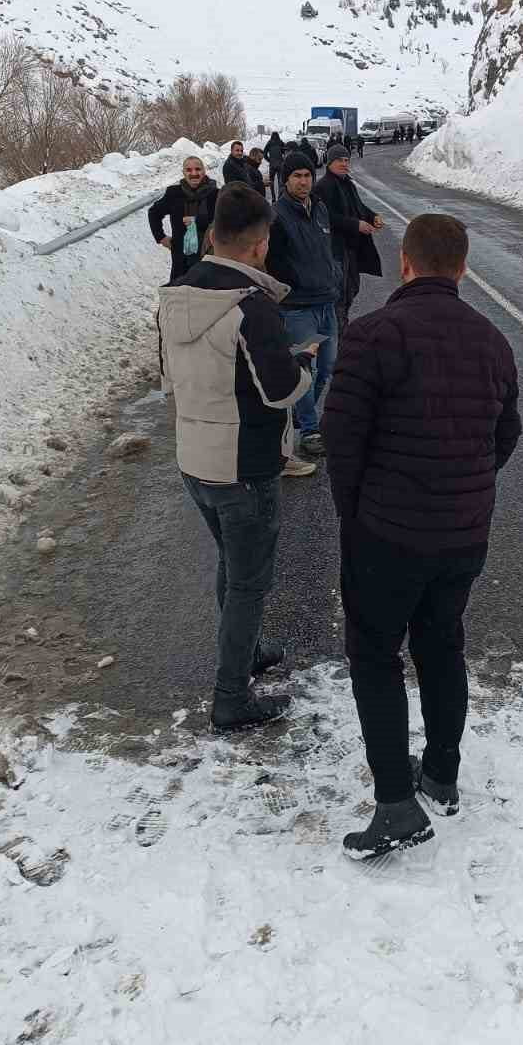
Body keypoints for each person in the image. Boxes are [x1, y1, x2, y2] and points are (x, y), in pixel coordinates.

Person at [322, 213, 522, 859]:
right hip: (463, 535)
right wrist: (463, 484)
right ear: (461, 267)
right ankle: (441, 772)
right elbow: (505, 436)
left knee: (376, 656)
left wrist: (355, 515)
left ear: (404, 263)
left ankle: (395, 805)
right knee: (442, 647)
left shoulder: (372, 335)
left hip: (387, 533)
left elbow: (343, 443)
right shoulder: (493, 340)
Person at [158, 186, 319, 733]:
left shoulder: (176, 296)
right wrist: (305, 367)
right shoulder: (251, 307)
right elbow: (278, 391)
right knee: (249, 581)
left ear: (211, 237)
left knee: (232, 564)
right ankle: (231, 698)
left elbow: (171, 378)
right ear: (258, 246)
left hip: (193, 458)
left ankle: (244, 653)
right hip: (244, 465)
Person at [265, 152, 340, 460]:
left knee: (328, 366)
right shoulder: (277, 215)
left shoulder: (320, 209)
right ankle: (310, 430)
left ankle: (301, 412)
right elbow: (274, 260)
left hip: (326, 302)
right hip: (298, 308)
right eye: (296, 175)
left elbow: (327, 248)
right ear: (286, 180)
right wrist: (297, 281)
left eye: (307, 175)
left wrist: (333, 273)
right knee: (305, 371)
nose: (303, 181)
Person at [313, 144, 383, 335]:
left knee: (352, 289)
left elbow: (358, 207)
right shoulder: (323, 187)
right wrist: (356, 225)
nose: (344, 164)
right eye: (340, 160)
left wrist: (372, 216)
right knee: (339, 296)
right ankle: (337, 336)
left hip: (351, 248)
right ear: (329, 163)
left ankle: (340, 329)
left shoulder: (347, 184)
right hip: (335, 250)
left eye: (346, 160)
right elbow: (327, 218)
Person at [148, 154, 219, 283]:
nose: (194, 173)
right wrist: (161, 237)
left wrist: (197, 221)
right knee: (179, 296)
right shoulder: (173, 194)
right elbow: (154, 213)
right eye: (189, 170)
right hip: (181, 259)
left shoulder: (216, 194)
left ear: (204, 171)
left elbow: (222, 221)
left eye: (198, 169)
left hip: (208, 255)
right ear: (183, 172)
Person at [264, 131, 286, 201]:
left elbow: (264, 154)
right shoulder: (281, 142)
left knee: (271, 181)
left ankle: (273, 197)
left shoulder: (269, 143)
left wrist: (269, 160)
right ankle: (280, 196)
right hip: (280, 165)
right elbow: (285, 151)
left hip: (272, 165)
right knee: (280, 182)